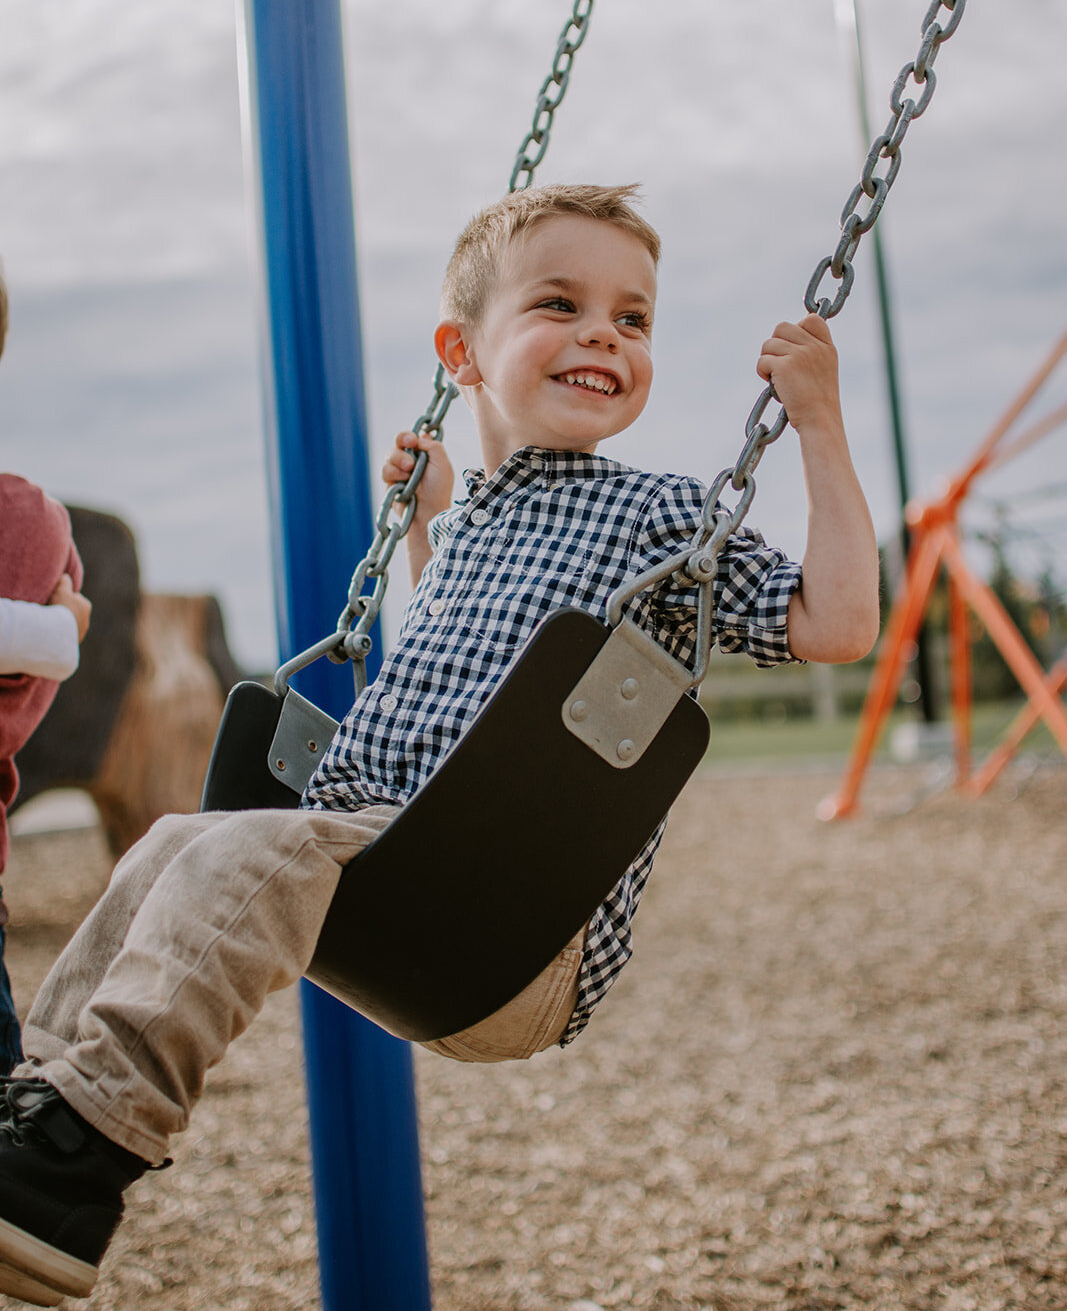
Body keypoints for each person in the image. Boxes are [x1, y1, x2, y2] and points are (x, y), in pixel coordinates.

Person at [0, 184, 880, 1306]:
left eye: (634, 317)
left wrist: (816, 420)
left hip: (511, 928)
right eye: (560, 303)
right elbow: (454, 690)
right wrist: (425, 526)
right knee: (175, 838)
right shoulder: (463, 527)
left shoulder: (663, 516)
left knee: (238, 855)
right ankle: (35, 1102)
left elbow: (835, 623)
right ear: (460, 354)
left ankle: (86, 1158)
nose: (603, 333)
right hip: (404, 862)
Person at [0, 272, 92, 1082]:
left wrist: (51, 635)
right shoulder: (30, 519)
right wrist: (53, 631)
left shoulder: (21, 517)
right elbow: (50, 648)